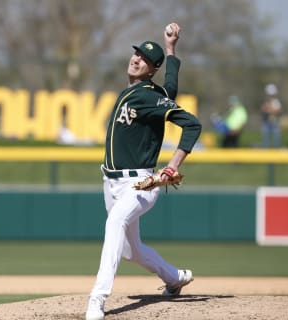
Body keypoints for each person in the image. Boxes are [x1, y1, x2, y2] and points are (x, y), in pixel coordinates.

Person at [85, 23, 202, 320]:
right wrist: (171, 49)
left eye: (145, 59)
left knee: (113, 224)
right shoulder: (144, 93)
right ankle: (174, 277)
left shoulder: (148, 95)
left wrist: (172, 165)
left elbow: (192, 124)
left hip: (140, 184)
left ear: (151, 70)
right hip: (110, 182)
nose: (137, 59)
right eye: (137, 54)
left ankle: (97, 299)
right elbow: (171, 89)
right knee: (130, 251)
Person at [260, 83, 282, 148]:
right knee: (265, 140)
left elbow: (278, 111)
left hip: (275, 122)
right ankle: (265, 153)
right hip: (266, 122)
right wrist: (270, 109)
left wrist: (270, 109)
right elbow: (263, 109)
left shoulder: (276, 101)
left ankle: (277, 153)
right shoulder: (266, 101)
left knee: (277, 139)